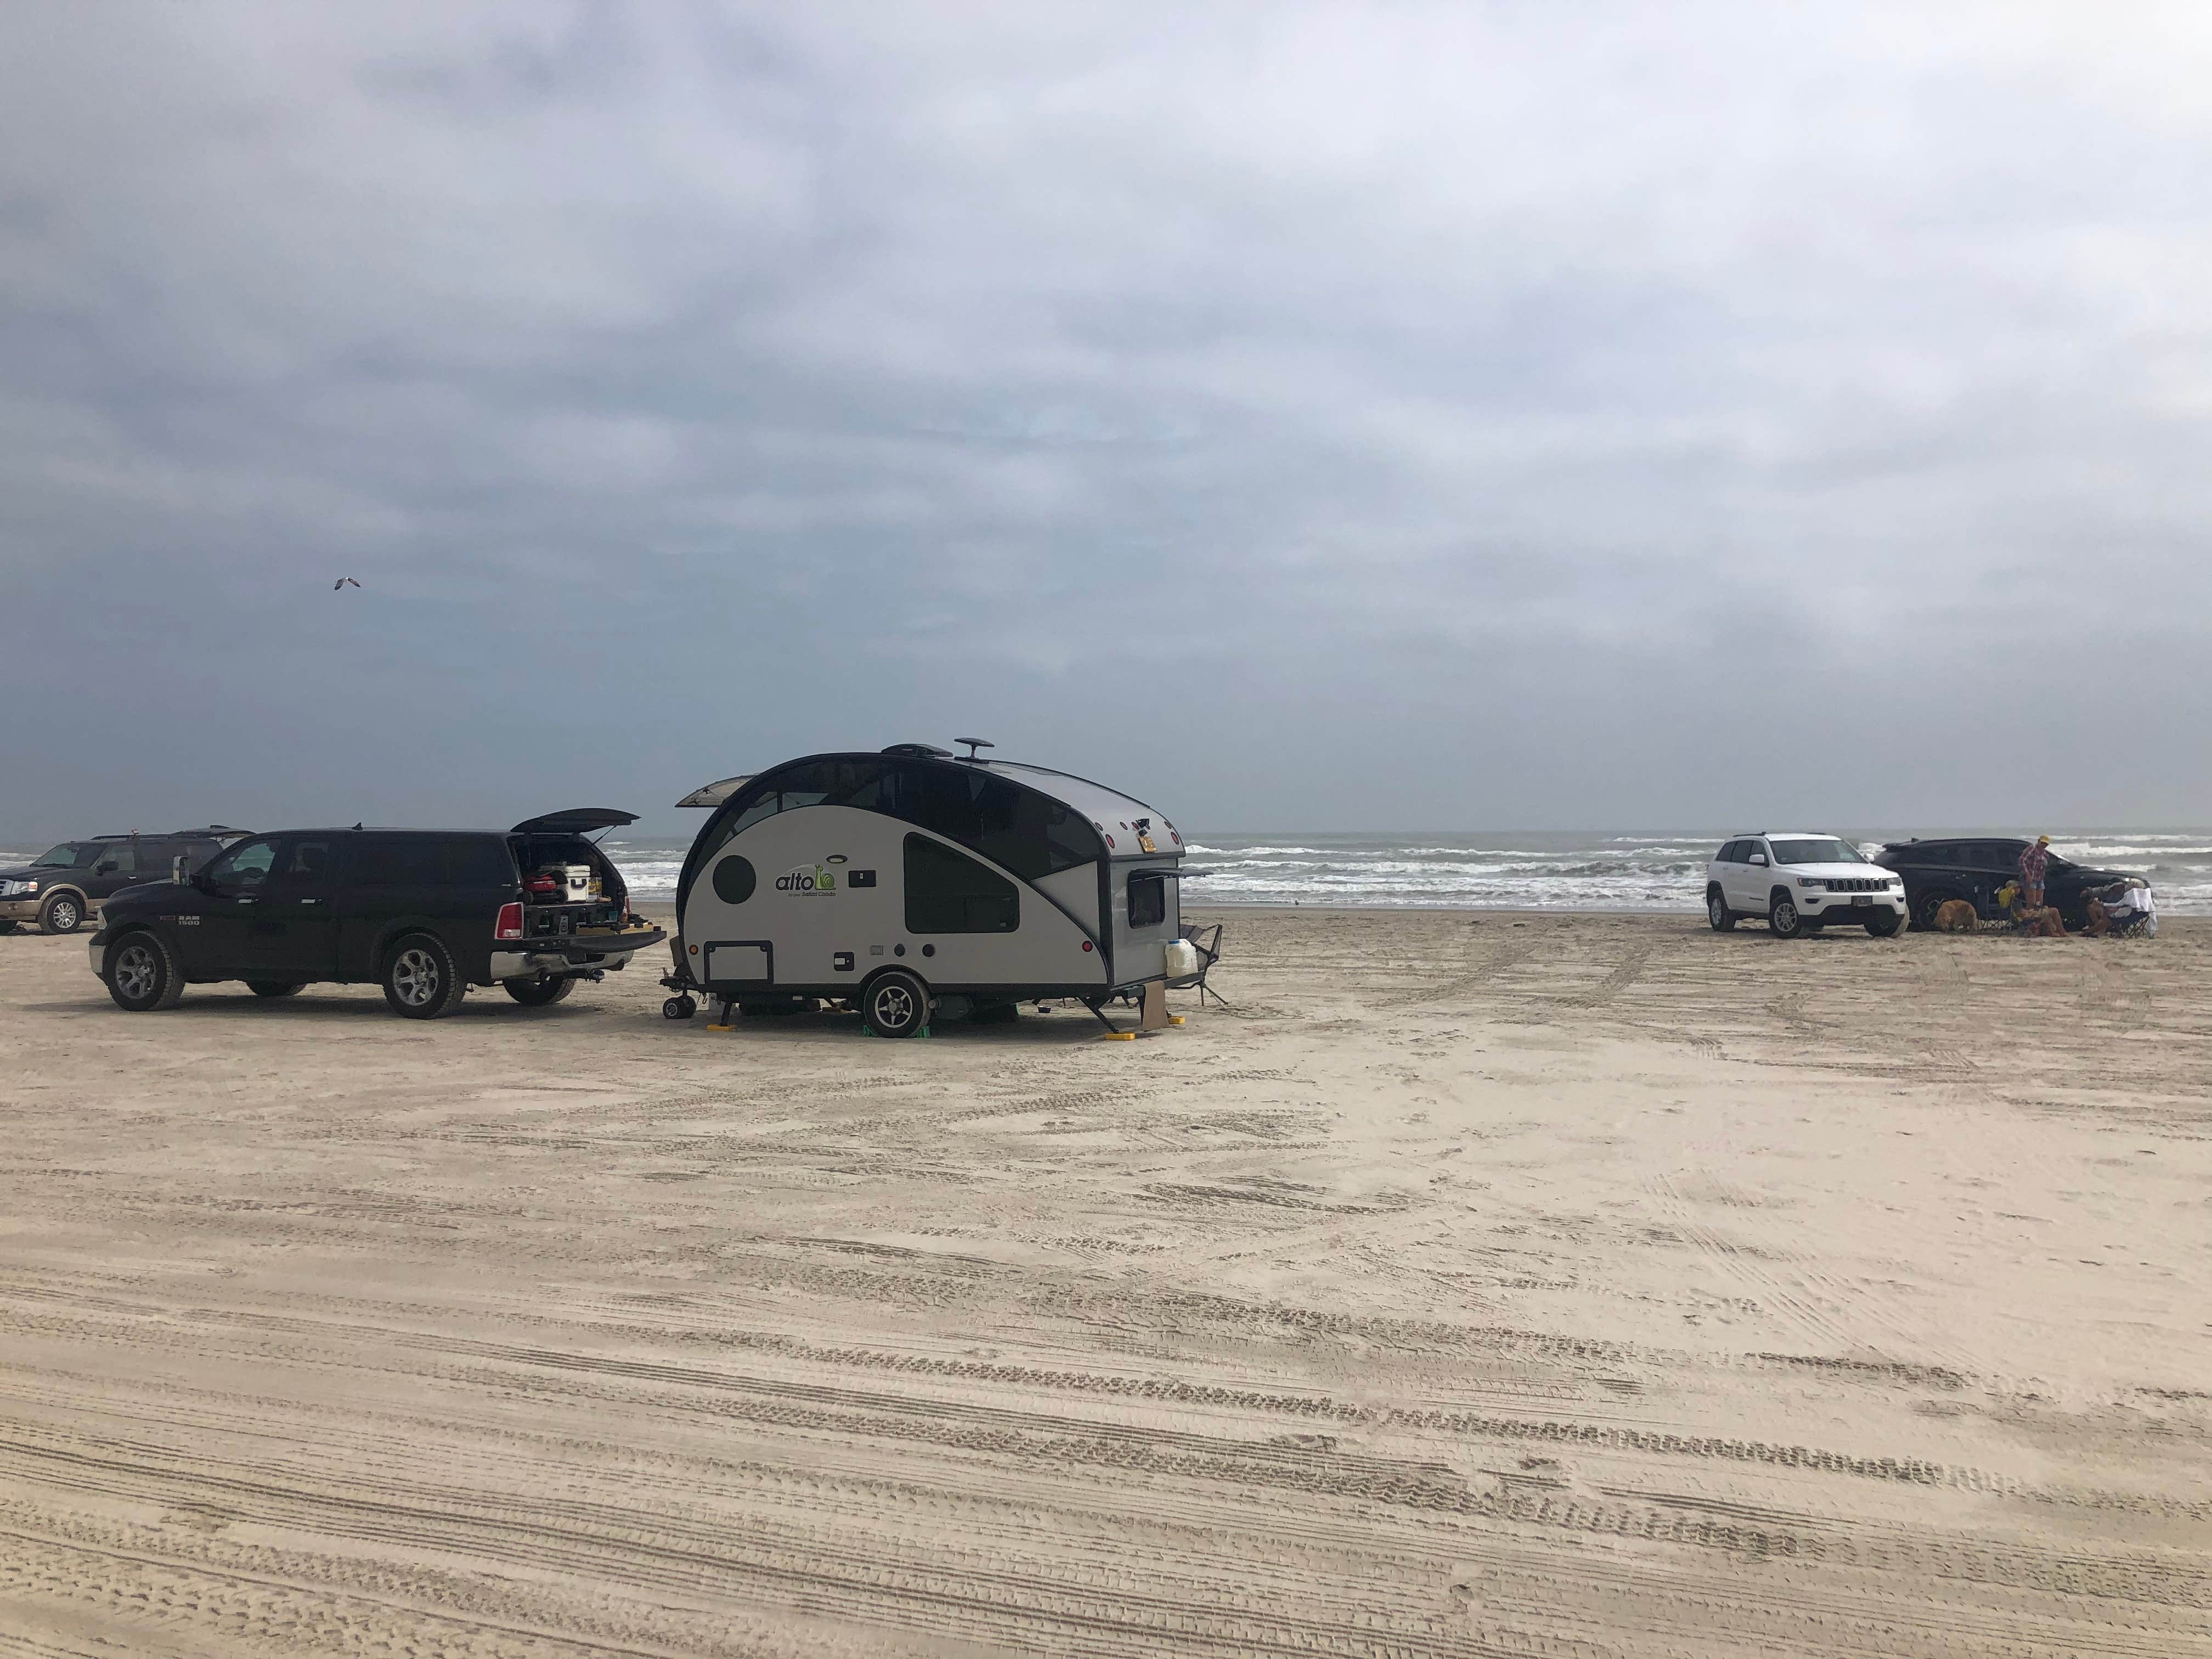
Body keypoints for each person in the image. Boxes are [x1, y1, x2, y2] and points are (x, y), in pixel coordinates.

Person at [2018, 833, 2051, 912]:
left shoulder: (2045, 854)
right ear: (2039, 842)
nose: (2044, 845)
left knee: (2039, 903)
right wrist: (2027, 874)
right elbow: (2022, 860)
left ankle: (2036, 921)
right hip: (2030, 879)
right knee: (2031, 902)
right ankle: (2027, 921)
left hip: (2039, 879)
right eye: (2042, 843)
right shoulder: (2031, 849)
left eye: (2046, 844)